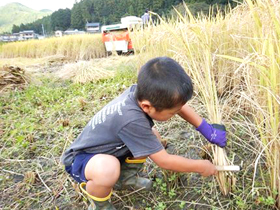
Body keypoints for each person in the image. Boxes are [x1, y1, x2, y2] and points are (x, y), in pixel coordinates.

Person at [61, 57, 227, 210]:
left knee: (152, 136)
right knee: (107, 169)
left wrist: (206, 129)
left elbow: (179, 106)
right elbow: (165, 161)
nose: (174, 115)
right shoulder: (132, 120)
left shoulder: (140, 93)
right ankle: (100, 205)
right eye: (171, 113)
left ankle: (124, 179)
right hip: (81, 160)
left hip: (109, 150)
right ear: (147, 107)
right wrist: (201, 166)